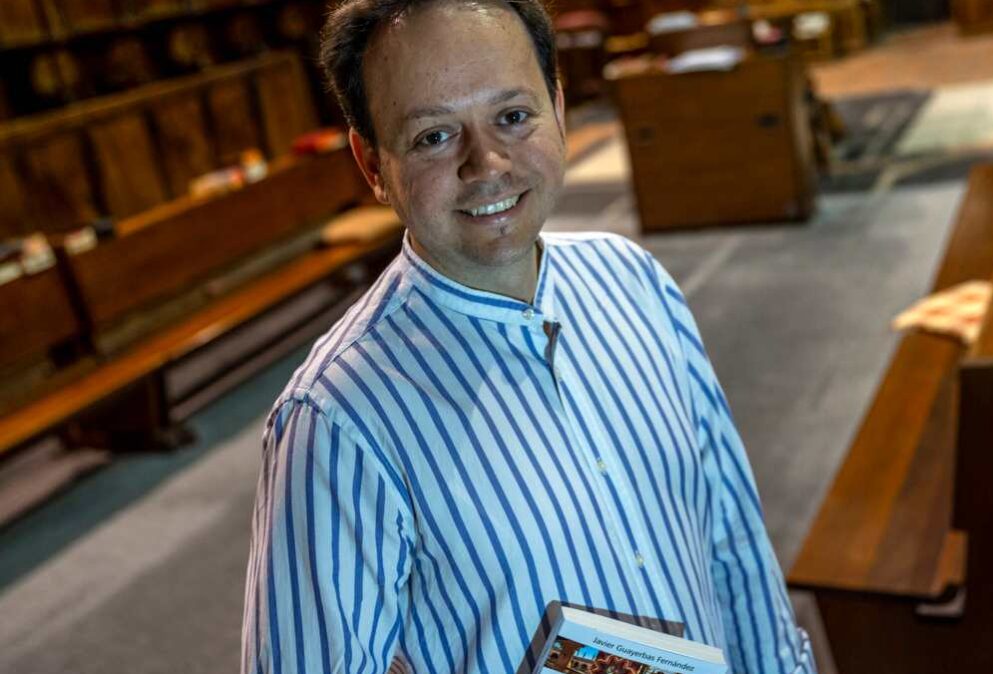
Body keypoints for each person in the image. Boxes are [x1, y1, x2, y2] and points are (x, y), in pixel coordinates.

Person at [241, 0, 816, 672]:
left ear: (559, 110)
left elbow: (730, 539)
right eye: (432, 136)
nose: (485, 164)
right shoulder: (335, 420)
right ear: (372, 164)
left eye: (512, 117)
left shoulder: (633, 282)